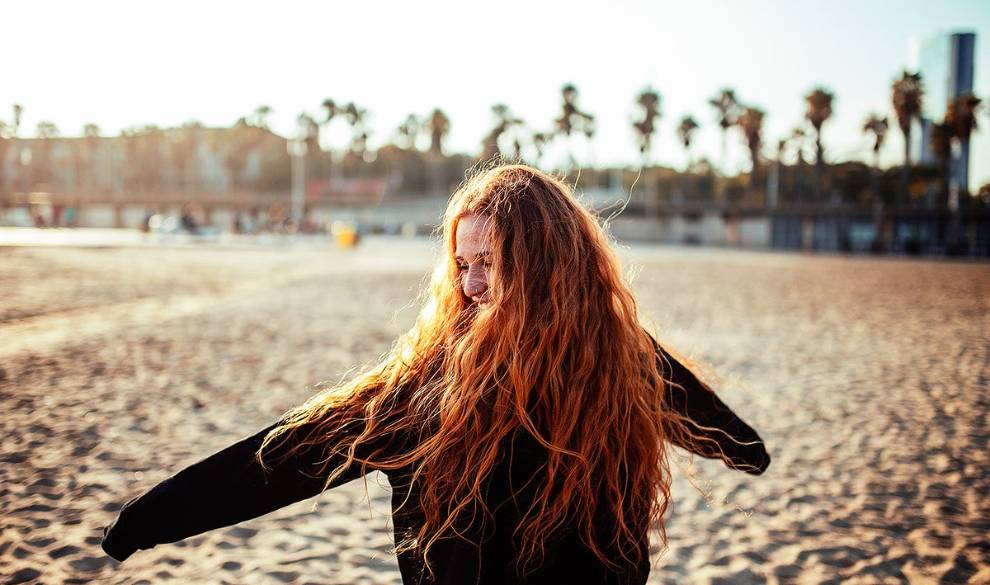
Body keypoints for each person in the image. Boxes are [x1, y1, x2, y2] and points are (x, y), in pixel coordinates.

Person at [101, 164, 770, 584]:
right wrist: (154, 516)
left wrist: (741, 448)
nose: (472, 283)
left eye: (490, 262)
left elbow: (705, 418)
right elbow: (291, 455)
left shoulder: (617, 353)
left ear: (544, 262)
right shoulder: (435, 385)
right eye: (462, 264)